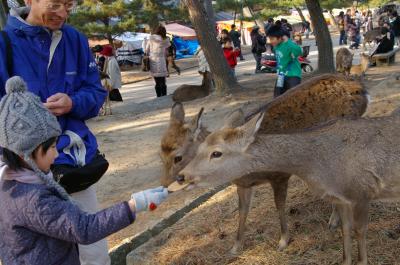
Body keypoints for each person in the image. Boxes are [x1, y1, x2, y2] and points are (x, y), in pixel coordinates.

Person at [0, 76, 168, 264]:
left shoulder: (10, 183)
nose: (56, 155)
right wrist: (136, 204)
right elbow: (84, 228)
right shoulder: (34, 200)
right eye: (52, 147)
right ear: (25, 154)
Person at [0, 3, 114, 264]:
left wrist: (72, 103)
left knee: (93, 252)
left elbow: (95, 93)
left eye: (69, 5)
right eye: (54, 4)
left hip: (73, 163)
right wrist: (26, 115)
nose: (62, 13)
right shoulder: (4, 44)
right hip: (23, 171)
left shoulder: (73, 38)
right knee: (36, 254)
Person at [267, 25, 302, 97]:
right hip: (281, 74)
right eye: (270, 39)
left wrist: (288, 41)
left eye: (272, 39)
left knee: (294, 96)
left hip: (293, 75)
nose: (271, 41)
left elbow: (298, 50)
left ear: (280, 38)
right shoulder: (276, 46)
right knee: (277, 96)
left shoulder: (288, 45)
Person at [145, 25, 171, 97]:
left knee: (157, 81)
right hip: (161, 60)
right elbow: (167, 52)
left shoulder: (151, 37)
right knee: (163, 81)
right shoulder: (166, 39)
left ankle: (158, 97)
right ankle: (164, 96)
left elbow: (146, 49)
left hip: (153, 60)